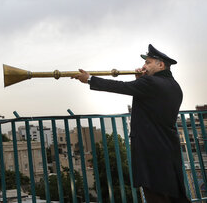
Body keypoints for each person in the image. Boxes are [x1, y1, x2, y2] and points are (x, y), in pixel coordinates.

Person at [72, 44, 189, 203]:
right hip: (169, 149)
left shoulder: (151, 83)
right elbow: (149, 102)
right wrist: (142, 81)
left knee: (155, 194)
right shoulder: (175, 86)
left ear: (160, 65)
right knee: (175, 194)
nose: (144, 66)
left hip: (150, 150)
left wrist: (90, 79)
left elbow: (121, 87)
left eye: (148, 62)